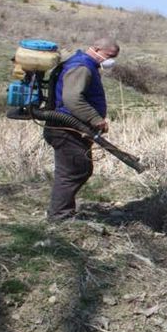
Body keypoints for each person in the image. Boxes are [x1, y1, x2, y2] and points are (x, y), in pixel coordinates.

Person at [45, 38, 120, 222]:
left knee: (76, 169)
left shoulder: (84, 64)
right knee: (74, 170)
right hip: (65, 128)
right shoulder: (82, 67)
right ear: (96, 49)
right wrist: (95, 119)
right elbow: (72, 99)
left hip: (71, 128)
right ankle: (60, 216)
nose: (110, 61)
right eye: (109, 56)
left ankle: (62, 212)